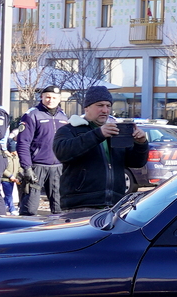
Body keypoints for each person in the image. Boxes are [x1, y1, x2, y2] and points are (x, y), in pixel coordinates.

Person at [52, 86, 150, 214]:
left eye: (108, 106)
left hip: (114, 206)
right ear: (86, 107)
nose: (105, 110)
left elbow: (136, 163)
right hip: (80, 205)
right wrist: (98, 134)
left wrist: (141, 143)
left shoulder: (116, 131)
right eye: (100, 105)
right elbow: (62, 153)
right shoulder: (69, 129)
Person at [14, 89, 66, 216]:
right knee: (29, 208)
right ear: (42, 97)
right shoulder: (32, 115)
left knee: (61, 208)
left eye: (54, 98)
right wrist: (27, 167)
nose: (51, 100)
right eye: (48, 97)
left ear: (59, 99)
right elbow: (23, 143)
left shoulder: (63, 116)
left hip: (58, 167)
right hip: (37, 166)